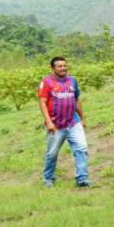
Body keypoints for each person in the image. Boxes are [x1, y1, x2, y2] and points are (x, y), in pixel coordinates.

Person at [38, 56, 91, 188]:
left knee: (81, 149)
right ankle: (48, 178)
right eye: (60, 66)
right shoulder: (46, 82)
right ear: (53, 68)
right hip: (56, 125)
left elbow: (77, 99)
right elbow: (42, 102)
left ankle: (82, 179)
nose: (63, 68)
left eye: (65, 65)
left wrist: (83, 118)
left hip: (73, 122)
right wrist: (48, 122)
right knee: (52, 153)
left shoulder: (72, 81)